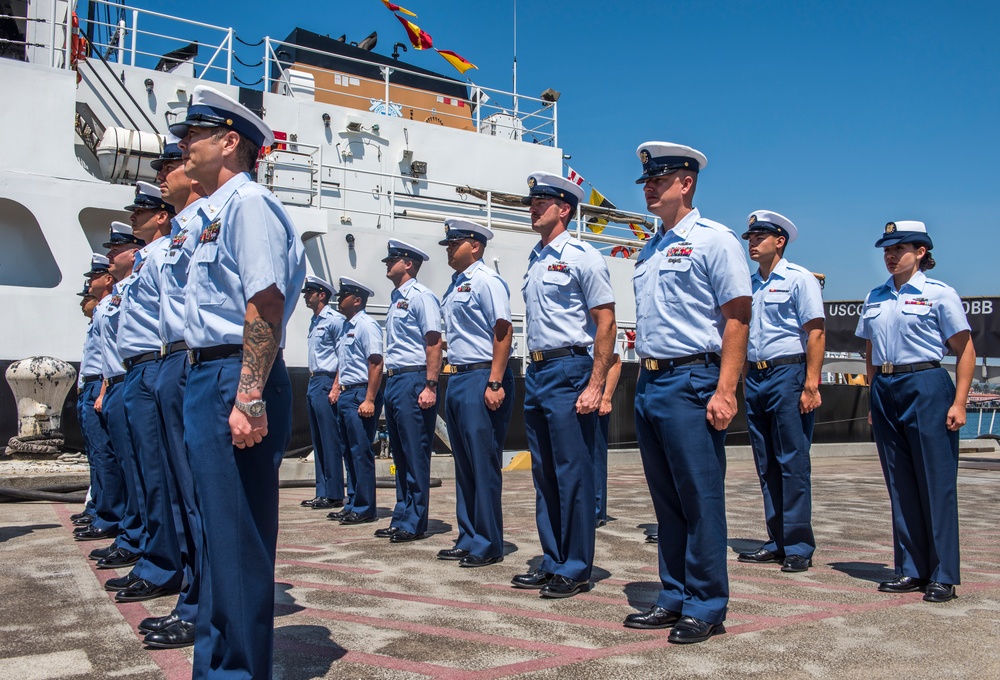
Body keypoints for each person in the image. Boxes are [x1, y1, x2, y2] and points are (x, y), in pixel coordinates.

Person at [172, 84, 306, 678]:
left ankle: (239, 670)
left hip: (236, 373)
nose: (183, 144)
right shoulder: (210, 211)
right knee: (214, 539)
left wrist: (248, 393)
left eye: (192, 134)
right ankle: (216, 666)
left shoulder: (247, 205)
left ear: (230, 142)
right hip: (208, 373)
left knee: (238, 538)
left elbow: (266, 302)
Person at [625, 142, 750, 644]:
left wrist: (726, 390)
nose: (650, 188)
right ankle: (673, 595)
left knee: (699, 498)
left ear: (686, 183)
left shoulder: (715, 241)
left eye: (659, 179)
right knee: (667, 502)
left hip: (693, 380)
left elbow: (737, 317)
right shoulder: (649, 248)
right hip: (650, 380)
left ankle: (706, 603)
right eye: (647, 182)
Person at [855, 220, 974, 603]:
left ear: (921, 252)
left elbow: (964, 348)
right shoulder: (875, 295)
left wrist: (959, 401)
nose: (890, 256)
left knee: (936, 483)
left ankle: (943, 574)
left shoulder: (939, 294)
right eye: (886, 250)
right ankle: (910, 568)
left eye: (899, 249)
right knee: (899, 482)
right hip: (886, 387)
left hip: (925, 384)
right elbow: (870, 349)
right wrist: (873, 394)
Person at [512, 171, 617, 599]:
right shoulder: (535, 260)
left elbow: (605, 323)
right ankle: (552, 559)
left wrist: (595, 385)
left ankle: (575, 567)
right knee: (545, 475)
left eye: (543, 201)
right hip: (537, 372)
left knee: (572, 473)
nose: (534, 206)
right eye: (532, 201)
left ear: (564, 209)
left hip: (569, 369)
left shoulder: (583, 256)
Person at [139, 135, 209, 650]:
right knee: (177, 492)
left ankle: (201, 604)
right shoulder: (177, 236)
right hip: (170, 359)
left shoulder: (211, 224)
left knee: (196, 495)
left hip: (192, 359)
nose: (167, 173)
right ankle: (189, 591)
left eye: (176, 163)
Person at [737, 210, 825, 573]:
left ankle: (799, 545)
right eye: (750, 238)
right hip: (755, 377)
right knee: (766, 463)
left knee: (792, 462)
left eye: (759, 237)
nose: (752, 243)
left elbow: (816, 333)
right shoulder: (748, 285)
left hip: (788, 373)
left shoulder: (799, 279)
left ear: (780, 240)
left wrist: (811, 384)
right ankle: (776, 541)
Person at [114, 181, 183, 604]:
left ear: (161, 216)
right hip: (137, 370)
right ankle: (150, 556)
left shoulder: (161, 256)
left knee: (158, 475)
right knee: (142, 472)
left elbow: (168, 314)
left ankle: (163, 564)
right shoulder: (144, 259)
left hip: (156, 364)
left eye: (142, 211)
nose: (134, 217)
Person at [436, 219, 515, 567]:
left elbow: (503, 330)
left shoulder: (486, 282)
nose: (450, 249)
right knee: (464, 464)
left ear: (476, 246)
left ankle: (488, 542)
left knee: (482, 464)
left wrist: (495, 382)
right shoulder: (454, 286)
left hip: (483, 375)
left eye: (455, 243)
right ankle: (468, 536)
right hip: (458, 377)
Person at [79, 222, 147, 585]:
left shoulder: (128, 291)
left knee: (140, 468)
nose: (107, 259)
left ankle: (134, 534)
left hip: (133, 378)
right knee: (126, 463)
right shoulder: (117, 297)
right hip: (119, 381)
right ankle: (129, 531)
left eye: (114, 251)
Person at [381, 239, 443, 543]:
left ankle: (414, 521)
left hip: (413, 379)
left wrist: (431, 384)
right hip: (393, 380)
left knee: (415, 452)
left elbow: (434, 341)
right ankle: (401, 515)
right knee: (400, 453)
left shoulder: (421, 297)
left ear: (408, 264)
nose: (387, 263)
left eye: (393, 259)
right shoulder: (395, 299)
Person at [74, 255, 128, 557]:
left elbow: (117, 351)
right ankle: (100, 509)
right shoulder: (103, 311)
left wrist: (105, 387)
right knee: (97, 454)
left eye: (94, 276)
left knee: (110, 455)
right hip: (95, 383)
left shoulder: (115, 305)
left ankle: (109, 515)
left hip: (107, 382)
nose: (90, 283)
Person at [328, 277, 384, 526]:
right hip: (347, 392)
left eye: (344, 296)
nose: (339, 300)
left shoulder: (366, 325)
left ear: (357, 300)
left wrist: (370, 398)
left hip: (361, 393)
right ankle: (352, 502)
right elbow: (344, 362)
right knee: (347, 451)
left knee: (360, 451)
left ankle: (364, 507)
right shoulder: (346, 326)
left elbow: (375, 362)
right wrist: (337, 387)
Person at [302, 275, 347, 511]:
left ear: (322, 295)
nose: (305, 296)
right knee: (318, 440)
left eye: (309, 292)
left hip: (327, 381)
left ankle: (335, 493)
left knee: (330, 439)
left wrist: (337, 385)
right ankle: (322, 491)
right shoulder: (314, 321)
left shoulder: (334, 320)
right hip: (313, 381)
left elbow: (343, 355)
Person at [595, 342, 622, 528]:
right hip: (573, 389)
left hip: (596, 396)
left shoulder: (600, 323)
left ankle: (596, 510)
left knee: (595, 455)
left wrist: (606, 398)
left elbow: (615, 362)